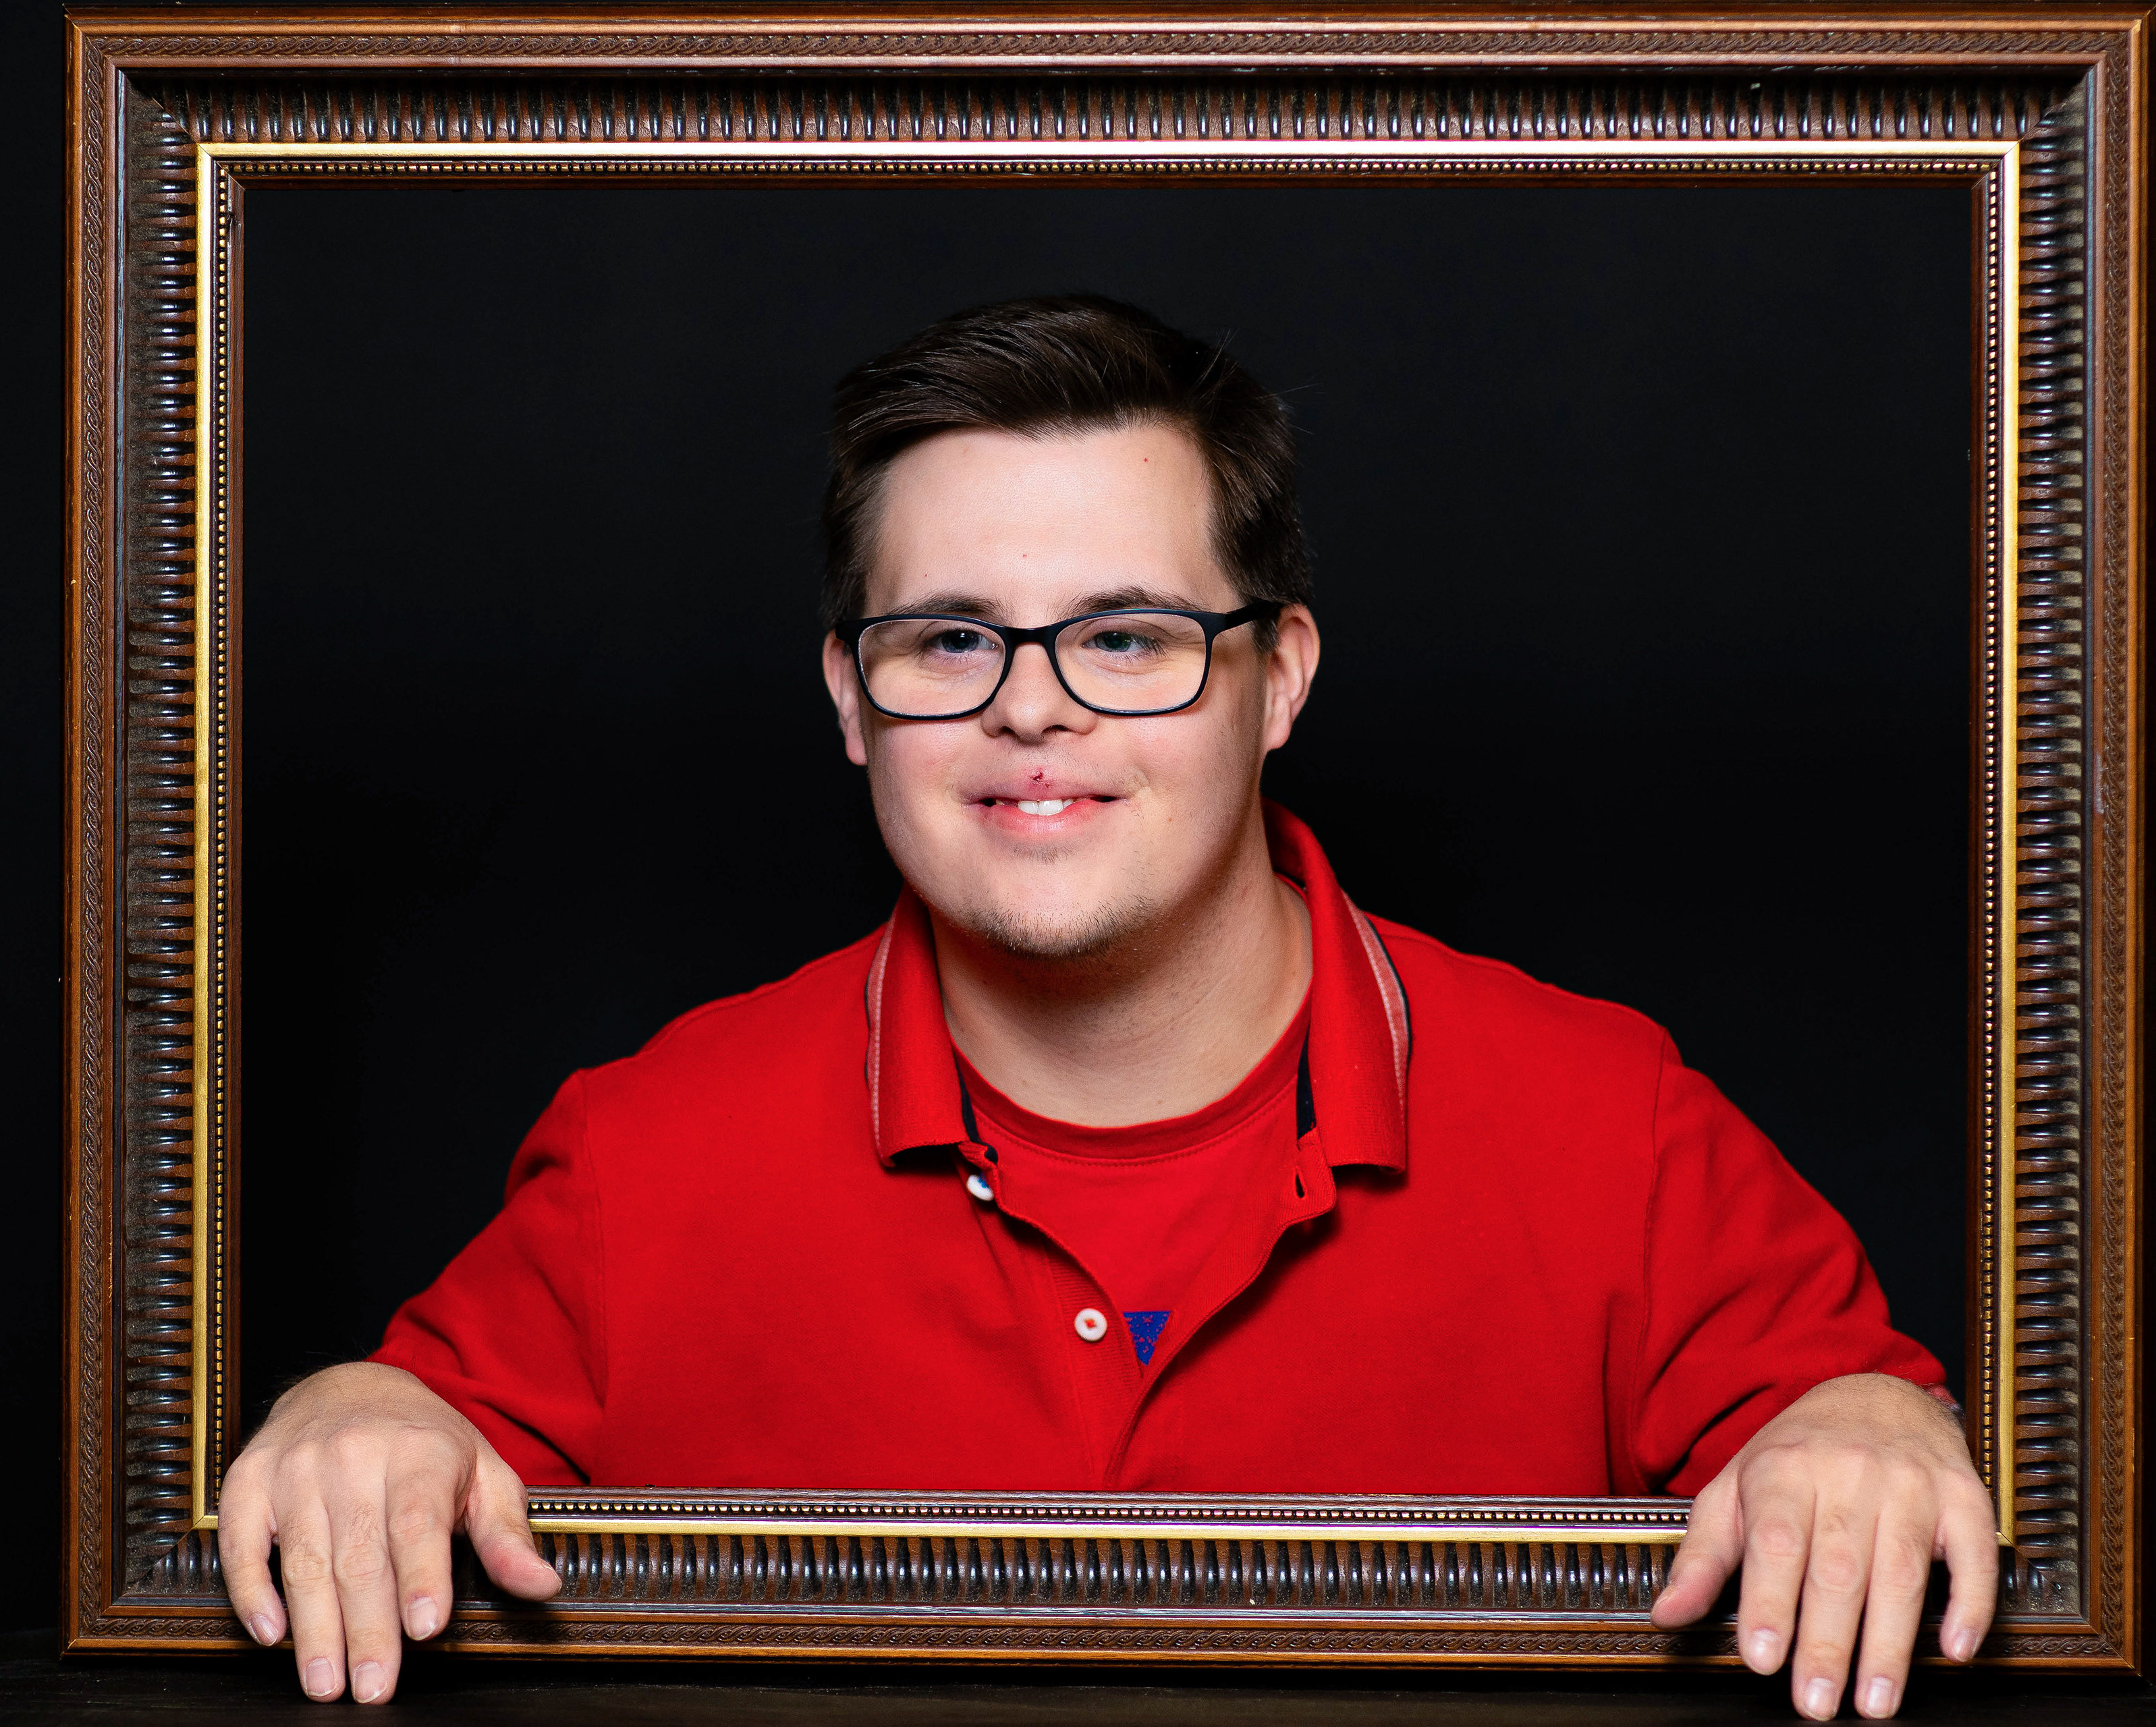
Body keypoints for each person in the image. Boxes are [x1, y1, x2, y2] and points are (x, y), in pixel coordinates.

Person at [217, 296, 1997, 1717]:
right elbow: (417, 1438)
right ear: (850, 699)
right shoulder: (644, 1149)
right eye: (950, 640)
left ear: (1277, 678)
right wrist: (359, 1419)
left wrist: (1869, 1436)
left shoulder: (1609, 1119)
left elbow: (1846, 1421)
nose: (1032, 709)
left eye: (1128, 636)